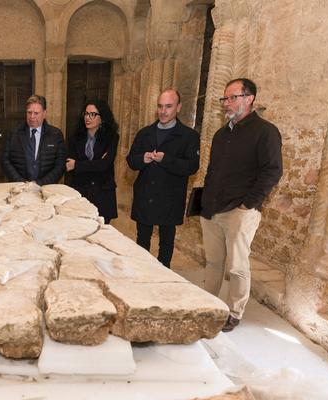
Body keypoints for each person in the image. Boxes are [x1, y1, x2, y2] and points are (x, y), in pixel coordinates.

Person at [201, 78, 282, 332]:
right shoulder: (221, 134)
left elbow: (272, 171)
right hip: (213, 208)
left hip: (239, 210)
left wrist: (248, 204)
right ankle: (208, 305)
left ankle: (234, 311)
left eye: (232, 97)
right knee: (213, 262)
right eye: (225, 98)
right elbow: (213, 172)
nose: (227, 103)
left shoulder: (265, 131)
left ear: (249, 99)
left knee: (236, 265)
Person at [126, 88, 200, 267]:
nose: (163, 111)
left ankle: (163, 272)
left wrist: (166, 160)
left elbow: (191, 166)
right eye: (160, 106)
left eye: (168, 106)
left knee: (166, 241)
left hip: (170, 197)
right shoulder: (145, 133)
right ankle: (142, 271)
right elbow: (131, 160)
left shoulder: (189, 136)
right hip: (146, 194)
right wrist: (141, 159)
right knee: (142, 239)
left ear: (179, 107)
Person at [65, 99, 119, 224]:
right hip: (81, 192)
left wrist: (77, 165)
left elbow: (105, 165)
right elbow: (69, 165)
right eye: (86, 113)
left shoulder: (111, 137)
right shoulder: (74, 138)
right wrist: (96, 164)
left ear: (102, 118)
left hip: (103, 193)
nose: (88, 118)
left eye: (93, 114)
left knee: (102, 234)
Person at [1, 95, 66, 185]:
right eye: (29, 112)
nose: (32, 116)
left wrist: (40, 183)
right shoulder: (14, 133)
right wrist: (21, 183)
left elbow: (60, 166)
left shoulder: (55, 135)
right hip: (20, 189)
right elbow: (5, 160)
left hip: (46, 189)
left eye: (36, 113)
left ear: (44, 114)